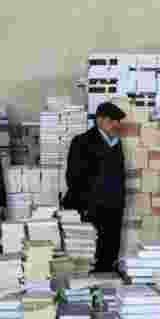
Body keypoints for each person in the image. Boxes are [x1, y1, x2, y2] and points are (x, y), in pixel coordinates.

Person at [63, 102, 127, 273]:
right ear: (99, 120)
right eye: (112, 120)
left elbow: (119, 176)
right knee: (91, 258)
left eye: (118, 121)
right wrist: (84, 208)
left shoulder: (116, 143)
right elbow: (73, 178)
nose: (116, 124)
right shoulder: (82, 142)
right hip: (92, 211)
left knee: (110, 254)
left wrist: (120, 203)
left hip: (113, 210)